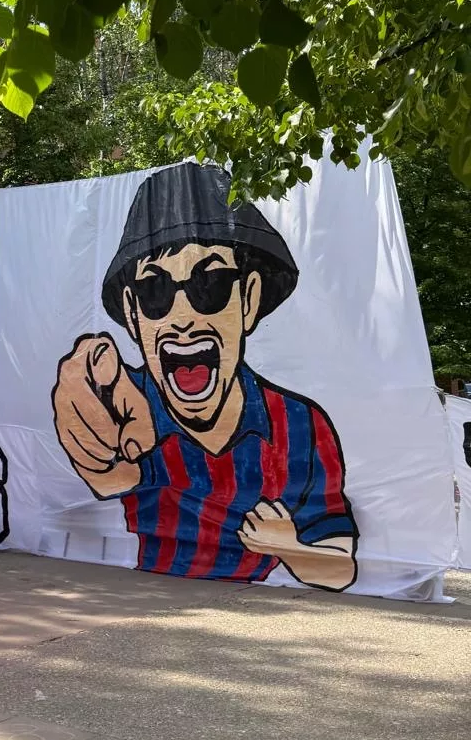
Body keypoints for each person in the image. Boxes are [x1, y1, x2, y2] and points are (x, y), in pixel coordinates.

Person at [52, 161, 358, 590]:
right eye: (154, 290)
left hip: (257, 623)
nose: (182, 318)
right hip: (145, 612)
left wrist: (289, 546)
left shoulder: (301, 425)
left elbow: (342, 567)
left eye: (209, 283)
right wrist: (88, 411)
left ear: (248, 298)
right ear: (131, 312)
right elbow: (105, 474)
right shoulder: (128, 404)